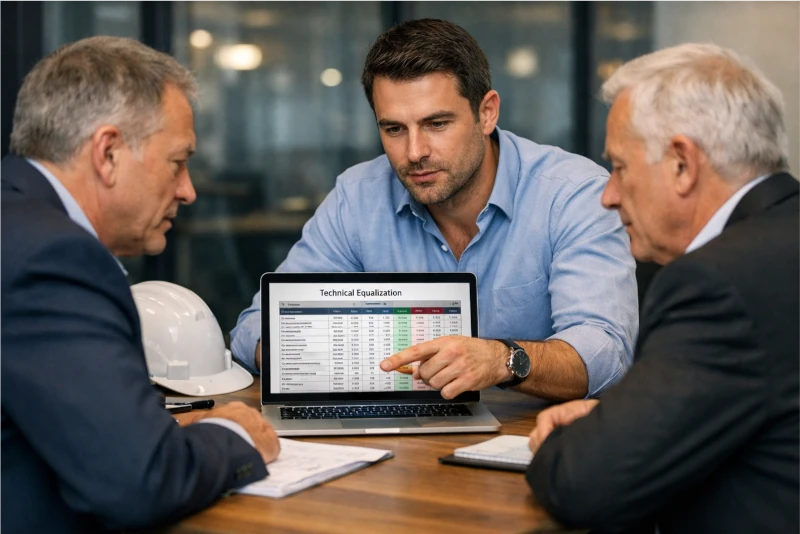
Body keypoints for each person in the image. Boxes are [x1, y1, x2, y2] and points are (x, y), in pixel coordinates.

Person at [232, 18, 638, 401]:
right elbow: (253, 329)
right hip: (399, 442)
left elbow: (605, 352)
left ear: (486, 113)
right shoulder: (358, 196)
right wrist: (327, 357)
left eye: (437, 124)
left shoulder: (573, 193)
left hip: (532, 442)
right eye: (394, 129)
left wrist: (501, 360)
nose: (414, 153)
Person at [0, 37, 280, 534]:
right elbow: (139, 484)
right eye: (178, 161)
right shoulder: (55, 258)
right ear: (107, 153)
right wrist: (231, 433)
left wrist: (154, 433)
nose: (188, 190)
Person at [526, 43, 800, 534]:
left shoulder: (716, 285)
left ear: (681, 164)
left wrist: (576, 441)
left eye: (620, 167)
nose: (608, 195)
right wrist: (637, 415)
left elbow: (584, 484)